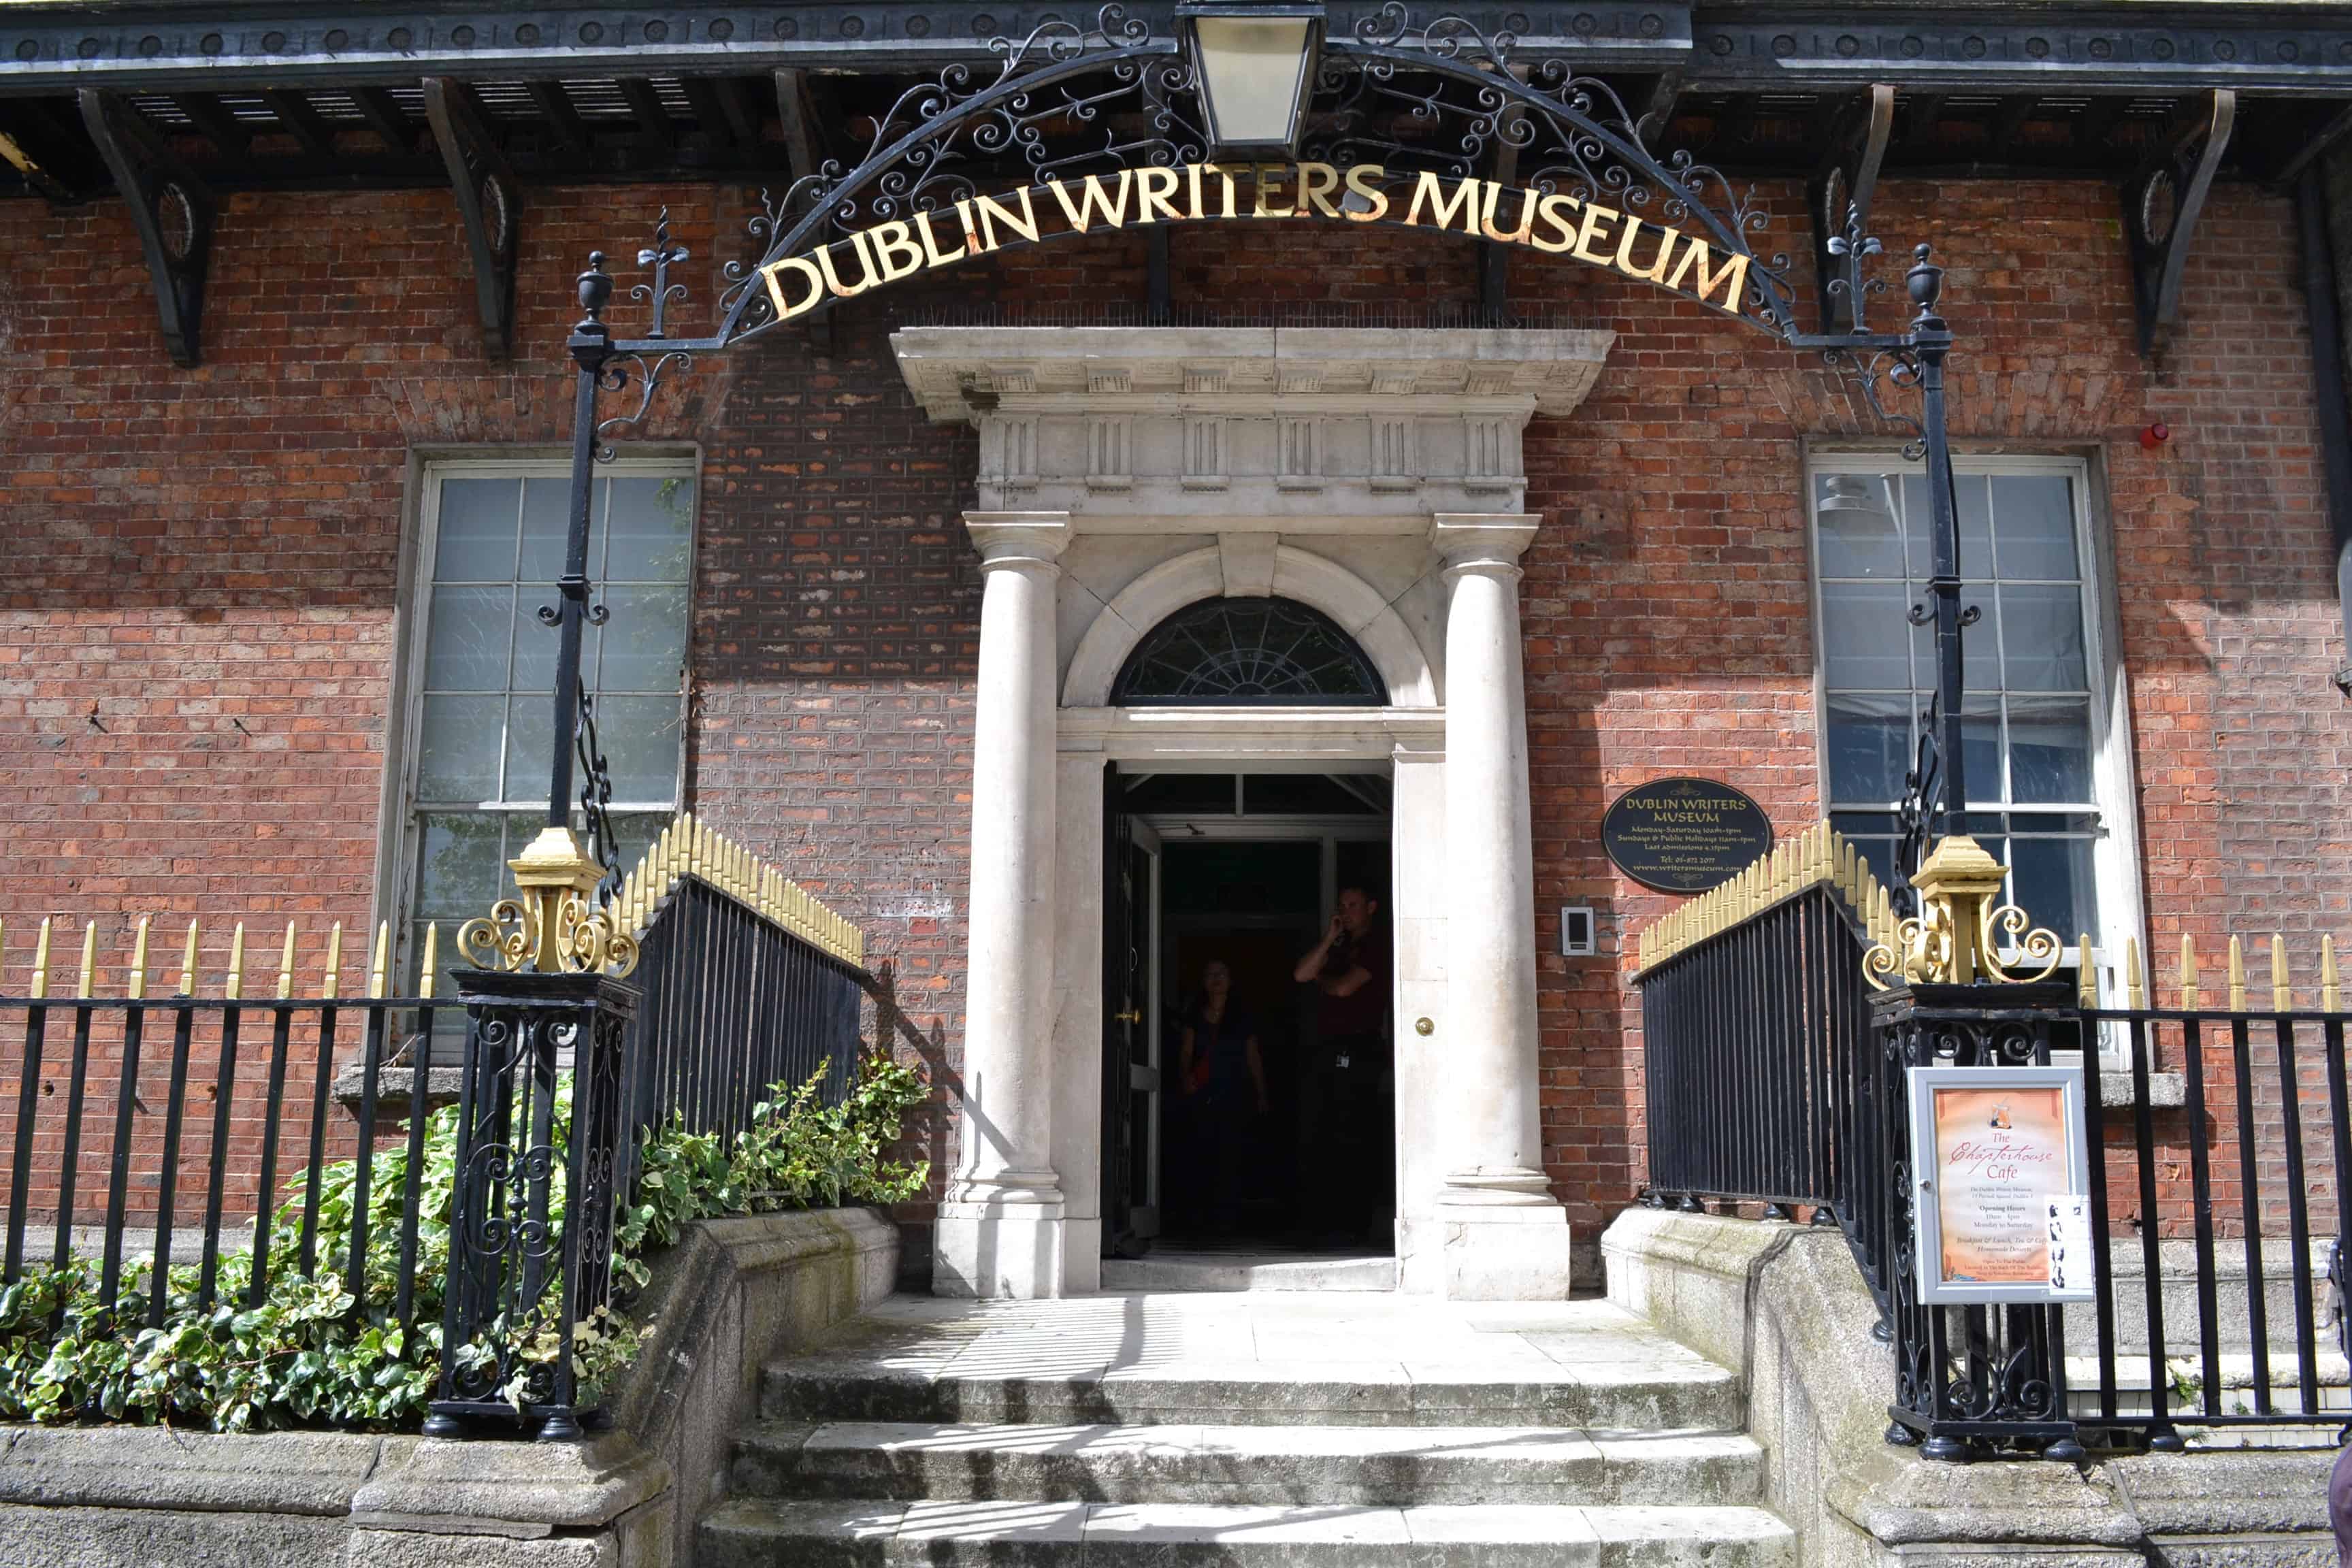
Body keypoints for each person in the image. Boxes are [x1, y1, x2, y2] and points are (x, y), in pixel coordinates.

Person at [1293, 885, 1392, 1247]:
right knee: (1323, 1133)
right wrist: (1329, 937)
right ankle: (1324, 1221)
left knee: (1356, 1136)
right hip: (1327, 1052)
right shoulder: (1338, 945)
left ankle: (1357, 1224)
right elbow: (1302, 974)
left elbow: (1343, 990)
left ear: (1372, 906)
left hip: (1361, 1052)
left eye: (1353, 905)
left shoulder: (1378, 945)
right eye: (1341, 906)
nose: (1346, 911)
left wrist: (1324, 981)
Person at [1175, 959, 1267, 1234]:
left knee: (1231, 1155)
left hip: (1234, 1092)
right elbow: (1186, 1052)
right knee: (1200, 1151)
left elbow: (1253, 1056)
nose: (1216, 979)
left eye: (1222, 974)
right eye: (1211, 974)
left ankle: (1226, 1218)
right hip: (1202, 1093)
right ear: (1204, 981)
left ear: (1231, 981)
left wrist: (1262, 1093)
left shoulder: (1242, 1015)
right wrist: (1185, 1077)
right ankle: (1198, 1216)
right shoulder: (1194, 1013)